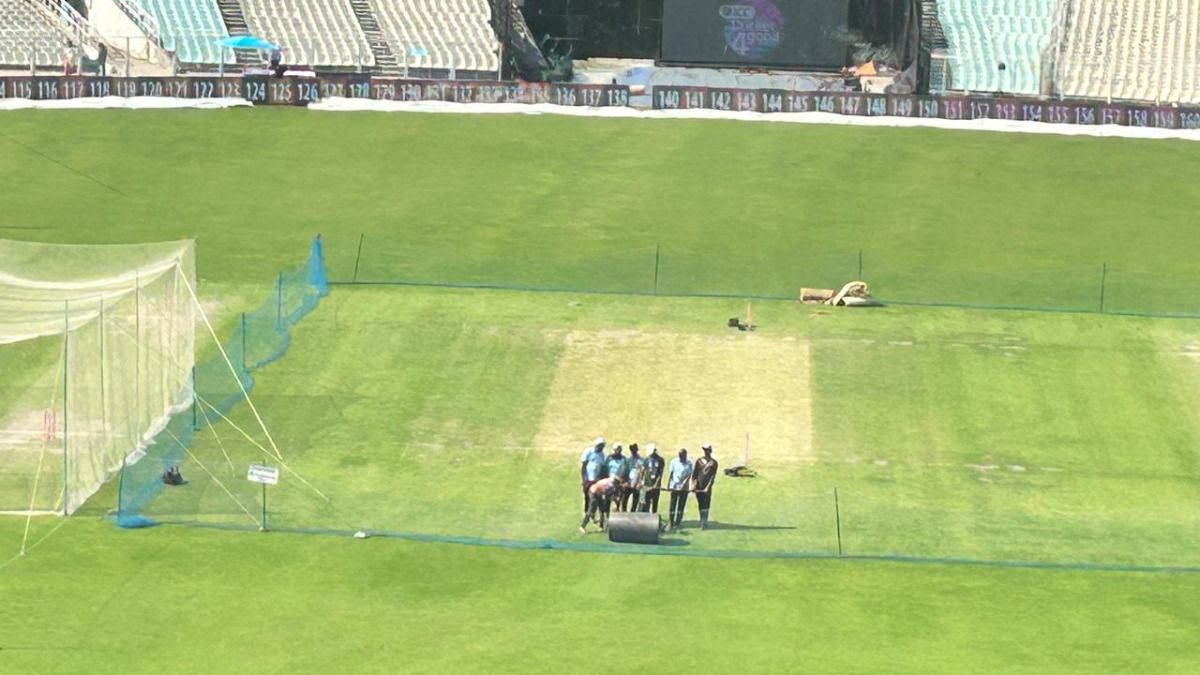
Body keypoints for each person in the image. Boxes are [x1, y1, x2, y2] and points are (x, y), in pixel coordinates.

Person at [692, 444, 719, 529]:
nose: (707, 452)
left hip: (707, 487)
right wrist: (694, 485)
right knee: (700, 503)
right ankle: (702, 520)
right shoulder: (699, 461)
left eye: (708, 450)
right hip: (699, 486)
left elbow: (713, 477)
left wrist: (708, 486)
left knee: (706, 503)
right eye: (705, 450)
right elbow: (695, 474)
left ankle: (704, 521)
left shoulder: (714, 463)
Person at [667, 448, 693, 531]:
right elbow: (671, 474)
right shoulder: (674, 461)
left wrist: (683, 484)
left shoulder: (689, 463)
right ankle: (671, 522)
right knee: (672, 505)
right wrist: (669, 484)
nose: (682, 458)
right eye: (681, 456)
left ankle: (678, 522)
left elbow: (689, 475)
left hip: (684, 488)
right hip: (674, 486)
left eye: (683, 456)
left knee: (681, 505)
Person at [579, 437, 606, 517]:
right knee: (587, 497)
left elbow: (601, 467)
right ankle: (586, 513)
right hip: (588, 479)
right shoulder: (589, 451)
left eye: (603, 446)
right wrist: (583, 479)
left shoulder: (602, 454)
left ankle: (593, 514)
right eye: (600, 445)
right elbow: (584, 466)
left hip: (596, 480)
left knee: (596, 498)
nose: (602, 447)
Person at [639, 444, 664, 514]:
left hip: (656, 485)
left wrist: (656, 484)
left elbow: (660, 474)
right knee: (645, 503)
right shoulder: (646, 459)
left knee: (655, 503)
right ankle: (646, 517)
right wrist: (641, 481)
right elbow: (642, 471)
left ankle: (654, 517)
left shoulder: (660, 460)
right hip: (647, 485)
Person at [605, 443, 629, 511]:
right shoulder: (609, 458)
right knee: (608, 496)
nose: (618, 451)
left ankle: (618, 510)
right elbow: (605, 468)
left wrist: (625, 480)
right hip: (609, 479)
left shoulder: (623, 459)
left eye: (619, 449)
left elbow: (626, 470)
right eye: (616, 449)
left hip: (619, 480)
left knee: (619, 498)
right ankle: (606, 511)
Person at [622, 443, 644, 512]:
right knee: (624, 499)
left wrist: (640, 482)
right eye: (632, 450)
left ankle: (632, 513)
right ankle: (624, 512)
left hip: (637, 483)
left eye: (634, 449)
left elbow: (642, 472)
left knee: (635, 501)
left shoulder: (641, 460)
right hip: (628, 482)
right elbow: (625, 472)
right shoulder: (628, 460)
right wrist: (625, 482)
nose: (633, 451)